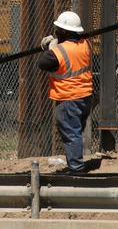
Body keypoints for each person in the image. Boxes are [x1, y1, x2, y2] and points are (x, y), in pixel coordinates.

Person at [37, 11, 94, 175]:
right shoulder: (86, 44)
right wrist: (54, 46)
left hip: (68, 97)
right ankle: (75, 164)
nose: (56, 32)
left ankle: (76, 169)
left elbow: (43, 63)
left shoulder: (59, 51)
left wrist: (52, 48)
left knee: (70, 133)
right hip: (85, 96)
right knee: (75, 132)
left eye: (58, 30)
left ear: (64, 32)